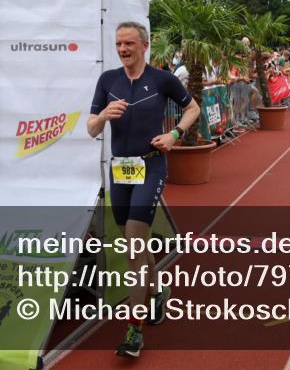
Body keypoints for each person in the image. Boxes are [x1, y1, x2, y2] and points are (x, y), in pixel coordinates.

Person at [88, 22, 200, 358]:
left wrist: (175, 135)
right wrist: (104, 115)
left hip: (151, 165)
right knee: (133, 241)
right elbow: (91, 129)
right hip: (121, 167)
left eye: (129, 44)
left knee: (135, 246)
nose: (122, 49)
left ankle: (134, 329)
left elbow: (192, 108)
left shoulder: (162, 79)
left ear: (145, 45)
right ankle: (156, 291)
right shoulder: (108, 80)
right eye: (119, 44)